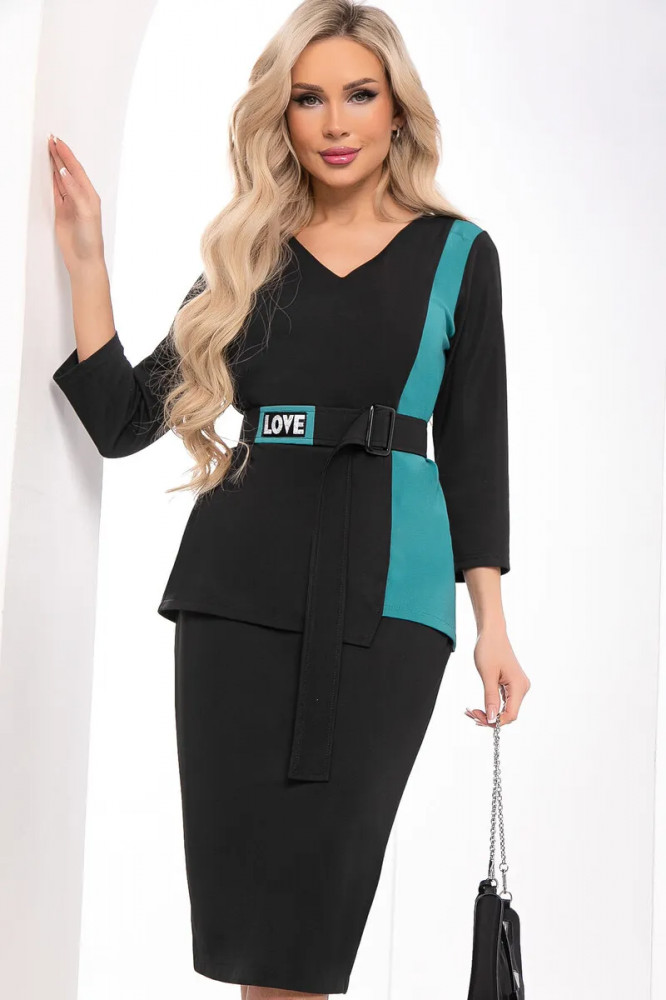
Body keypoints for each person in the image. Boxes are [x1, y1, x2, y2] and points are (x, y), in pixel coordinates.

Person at [49, 1, 531, 996]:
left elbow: (476, 447)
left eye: (360, 95)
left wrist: (493, 624)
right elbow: (124, 419)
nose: (335, 122)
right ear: (282, 115)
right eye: (309, 99)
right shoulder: (250, 253)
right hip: (237, 599)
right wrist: (88, 256)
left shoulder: (459, 253)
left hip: (389, 606)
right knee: (254, 940)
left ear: (397, 109)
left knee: (313, 924)